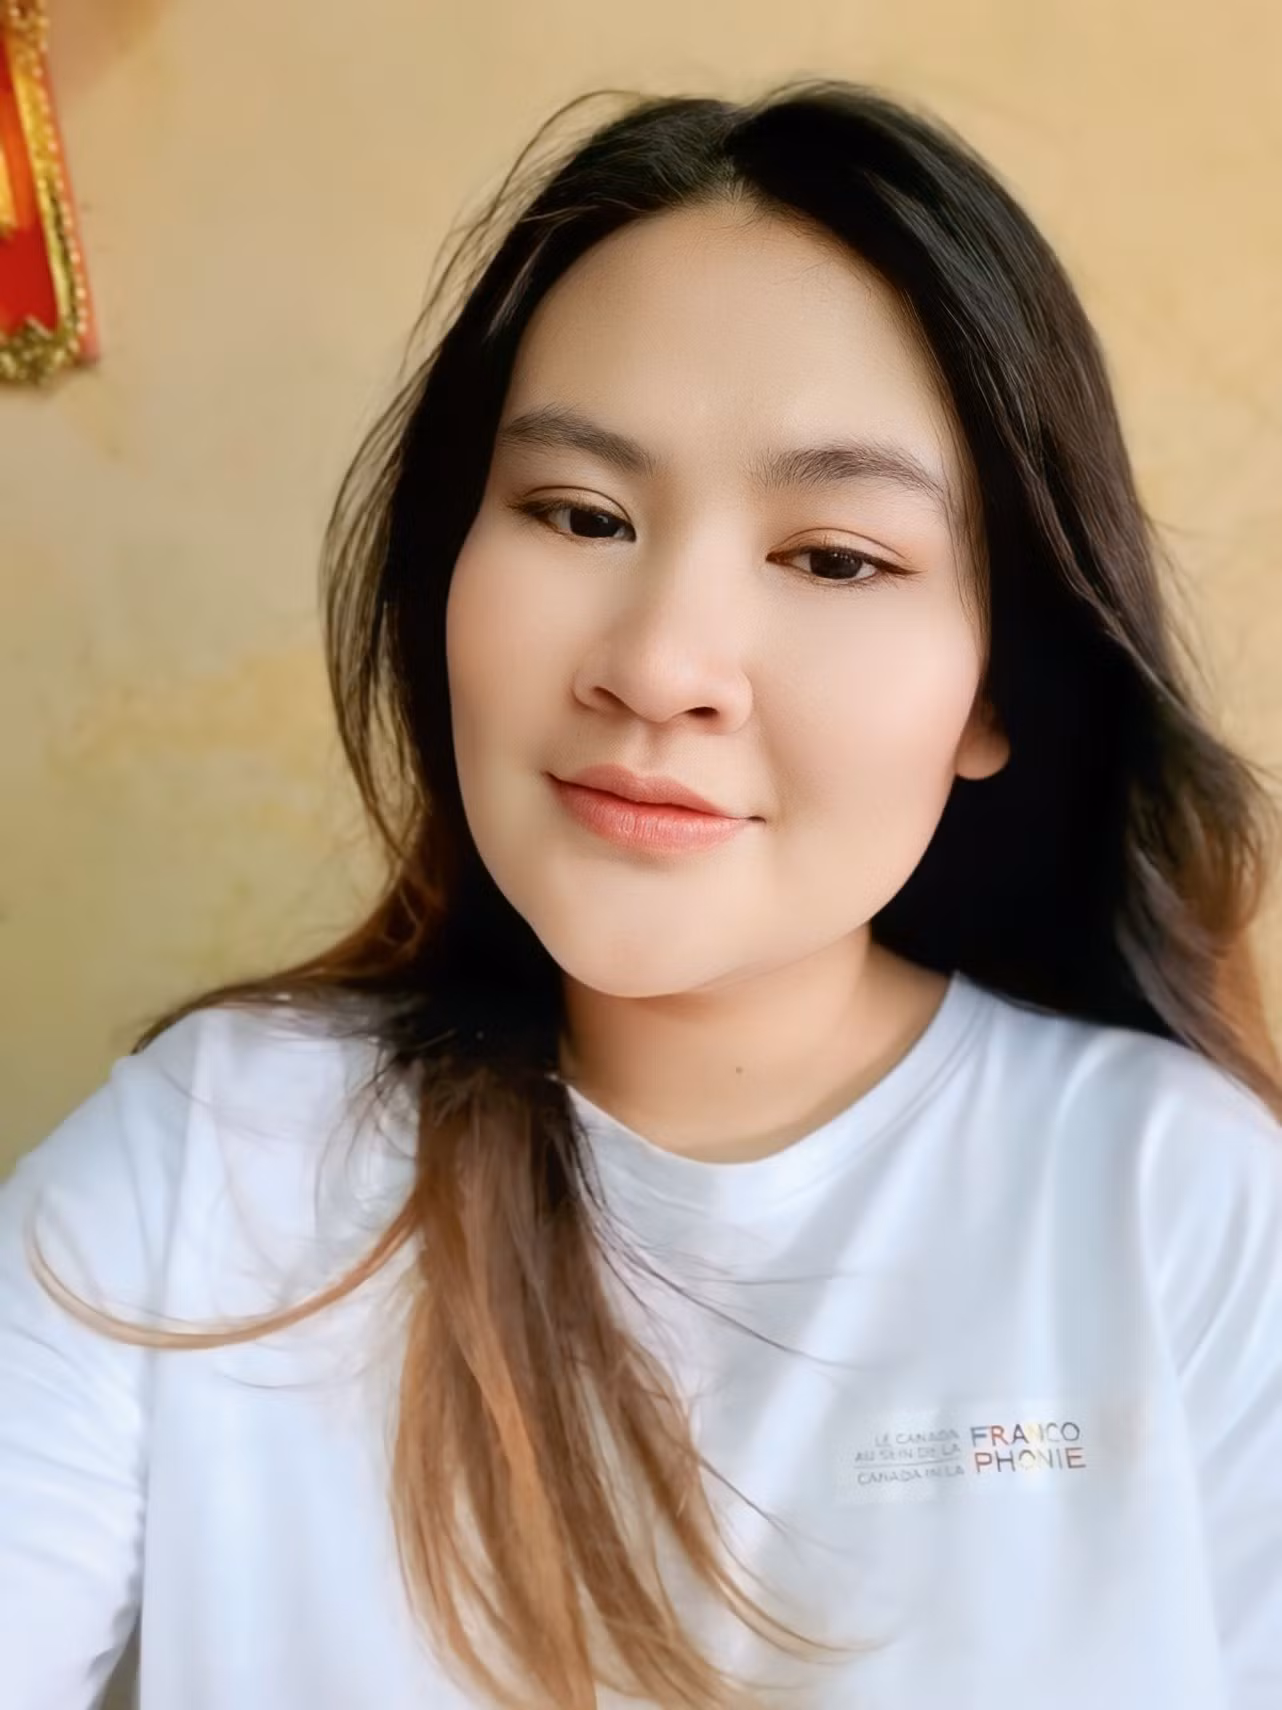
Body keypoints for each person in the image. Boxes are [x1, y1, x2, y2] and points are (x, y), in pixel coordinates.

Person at [2, 77, 1280, 1710]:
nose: (660, 663)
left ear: (995, 687)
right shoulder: (207, 1162)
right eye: (578, 514)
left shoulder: (1176, 1197)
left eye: (833, 556)